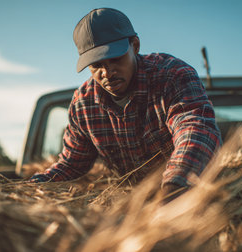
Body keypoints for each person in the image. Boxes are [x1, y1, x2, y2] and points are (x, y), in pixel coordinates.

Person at [29, 8, 222, 195]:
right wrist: (31, 187)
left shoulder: (172, 76)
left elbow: (195, 131)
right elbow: (72, 163)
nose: (107, 73)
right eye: (96, 65)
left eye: (115, 59)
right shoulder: (83, 105)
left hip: (190, 192)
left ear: (135, 45)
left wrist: (175, 185)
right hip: (133, 202)